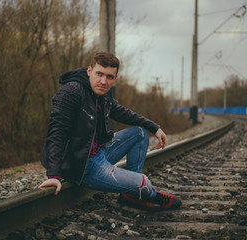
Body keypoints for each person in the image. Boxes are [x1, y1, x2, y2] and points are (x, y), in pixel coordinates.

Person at [39, 52, 181, 211]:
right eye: (99, 74)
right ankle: (147, 193)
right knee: (143, 183)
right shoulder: (71, 91)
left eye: (109, 77)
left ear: (115, 78)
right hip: (82, 165)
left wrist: (154, 127)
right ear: (89, 71)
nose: (103, 81)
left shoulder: (102, 95)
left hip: (98, 153)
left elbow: (124, 113)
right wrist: (53, 175)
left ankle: (132, 196)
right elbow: (56, 133)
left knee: (140, 133)